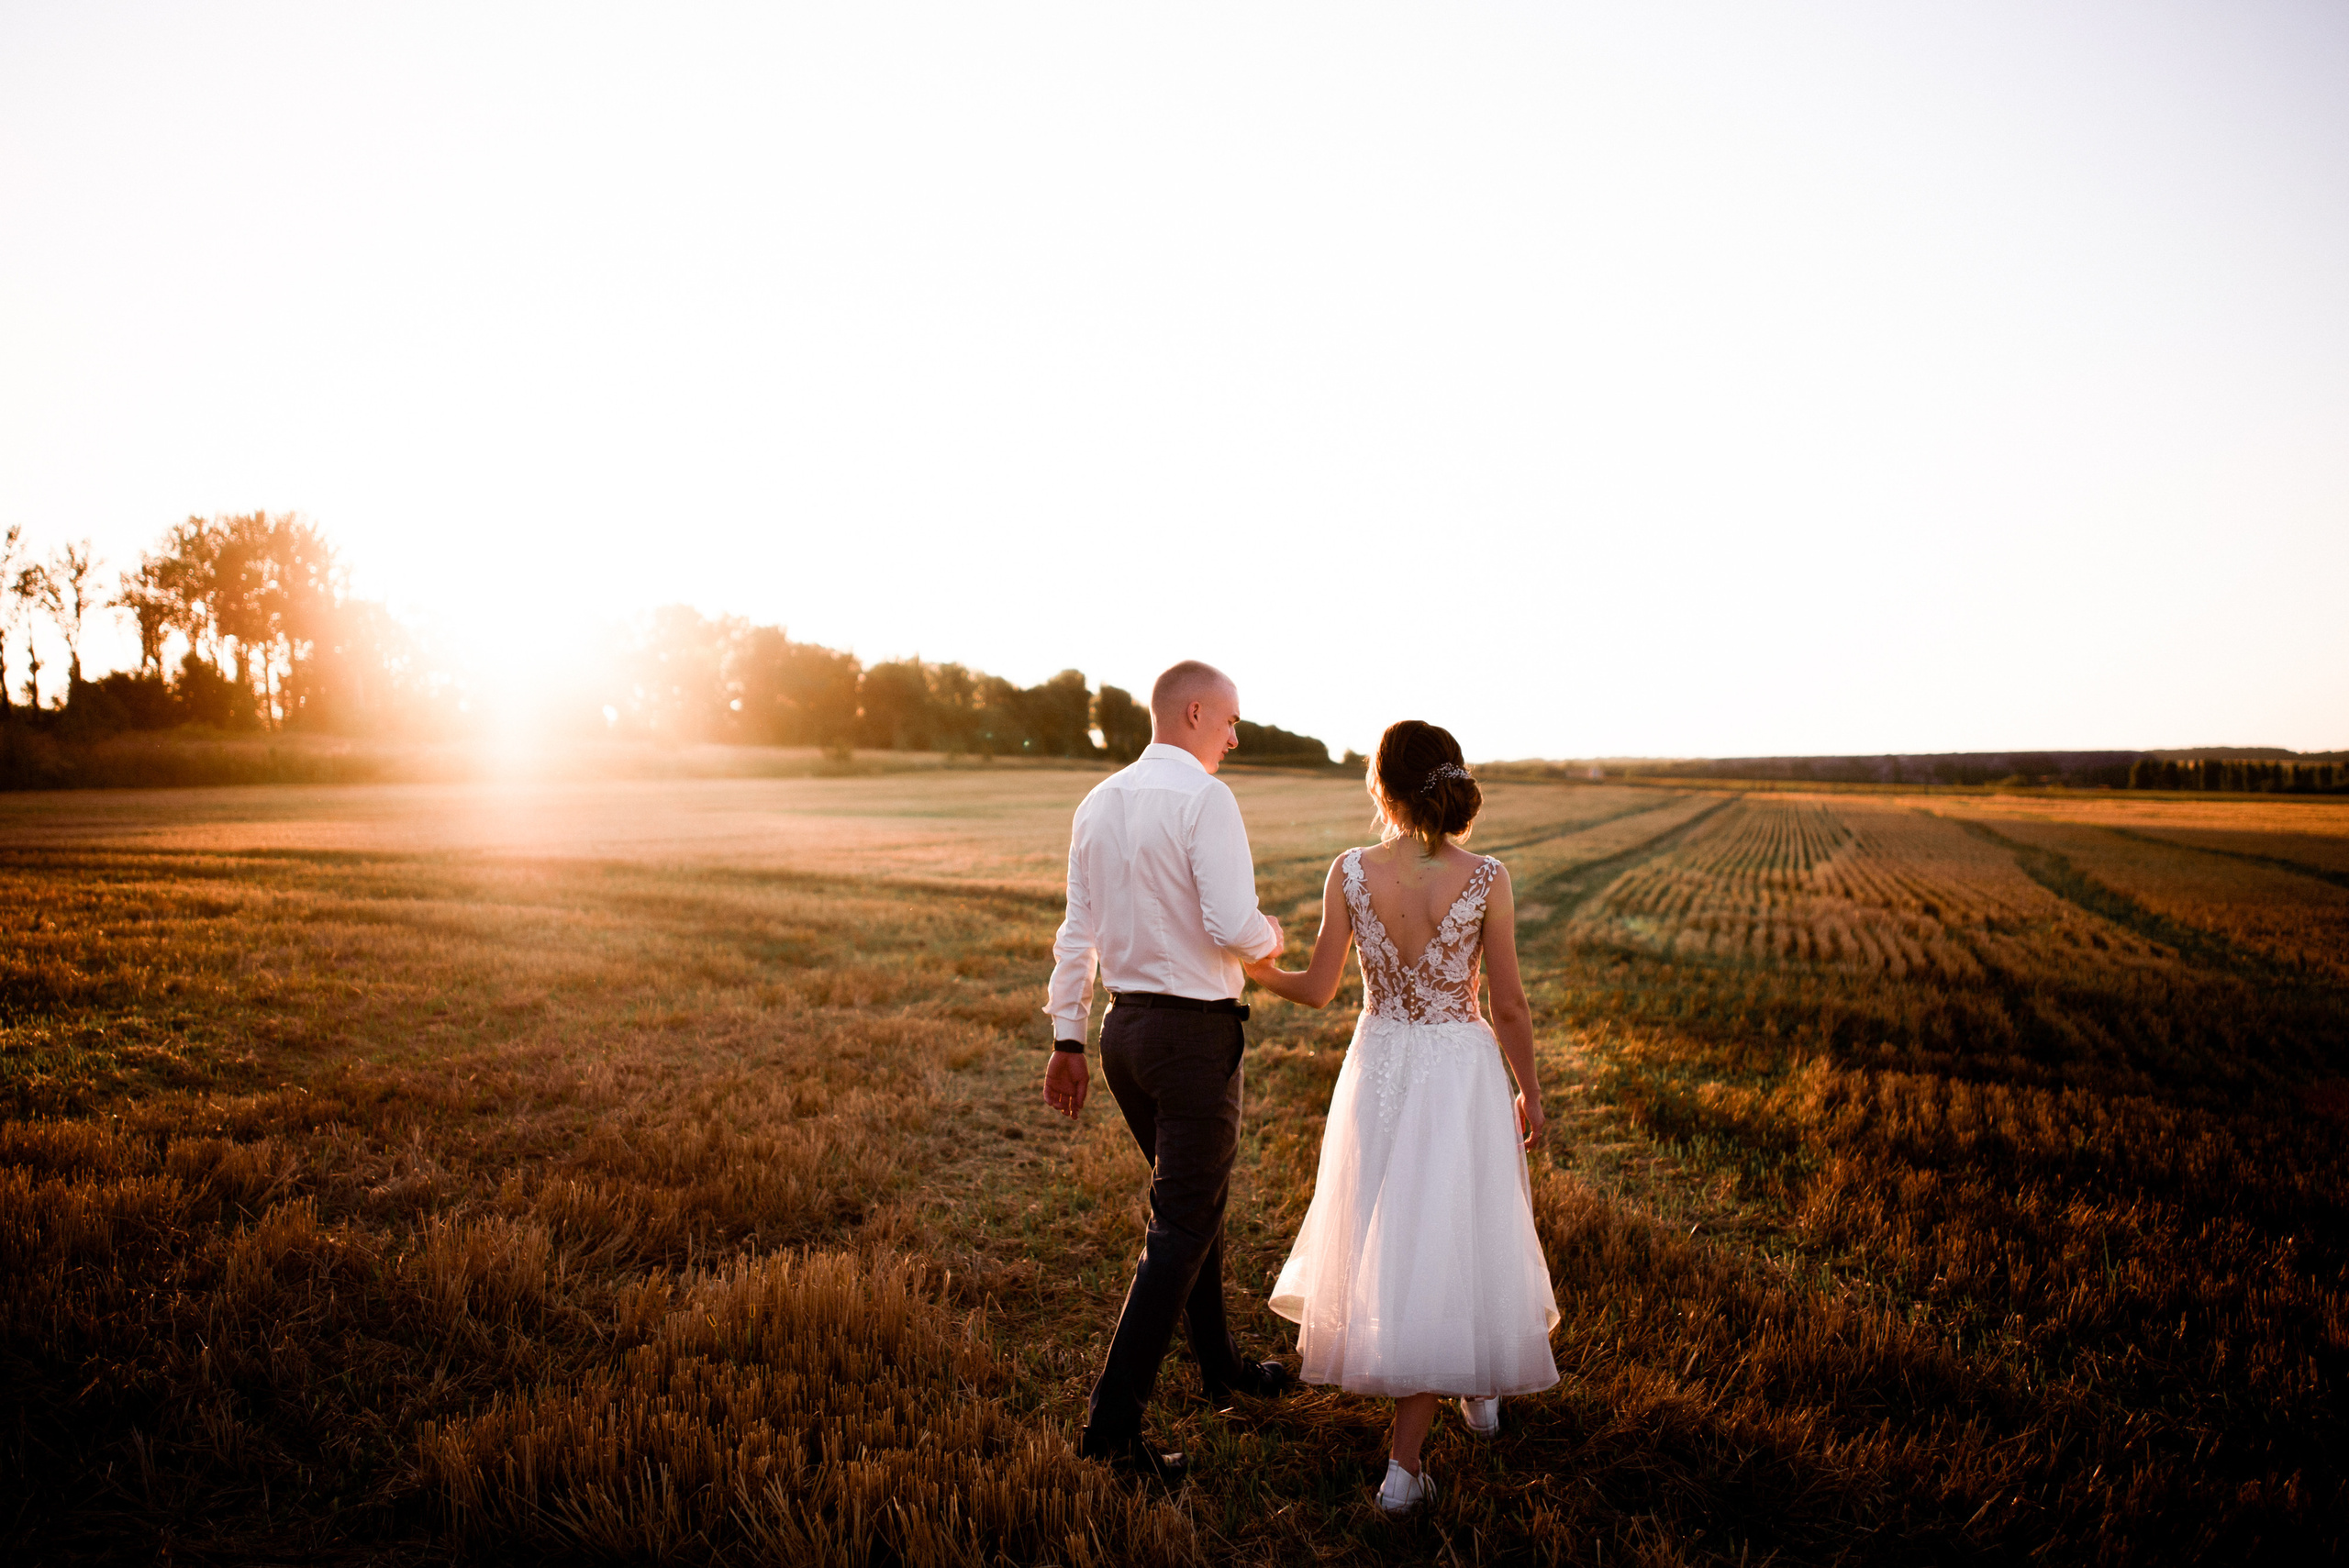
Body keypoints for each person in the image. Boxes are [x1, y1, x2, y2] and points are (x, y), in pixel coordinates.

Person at [1243, 719, 1560, 1518]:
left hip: (1380, 1063)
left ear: (1380, 785)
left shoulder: (1350, 871)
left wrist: (1255, 971)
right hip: (1457, 1066)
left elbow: (1318, 988)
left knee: (1405, 1237)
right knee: (1460, 1224)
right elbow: (1510, 1004)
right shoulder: (1488, 876)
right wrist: (1529, 1088)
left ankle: (1453, 1404)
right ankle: (1417, 1453)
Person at [1043, 660, 1297, 1481]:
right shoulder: (1204, 798)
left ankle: (1221, 1365)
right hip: (1192, 1040)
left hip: (1123, 1036)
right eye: (1228, 721)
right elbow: (1231, 920)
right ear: (1193, 713)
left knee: (1194, 1205)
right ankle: (1112, 1435)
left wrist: (1068, 1039)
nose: (1234, 736)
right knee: (1182, 1223)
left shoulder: (1098, 800)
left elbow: (1077, 928)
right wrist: (1273, 936)